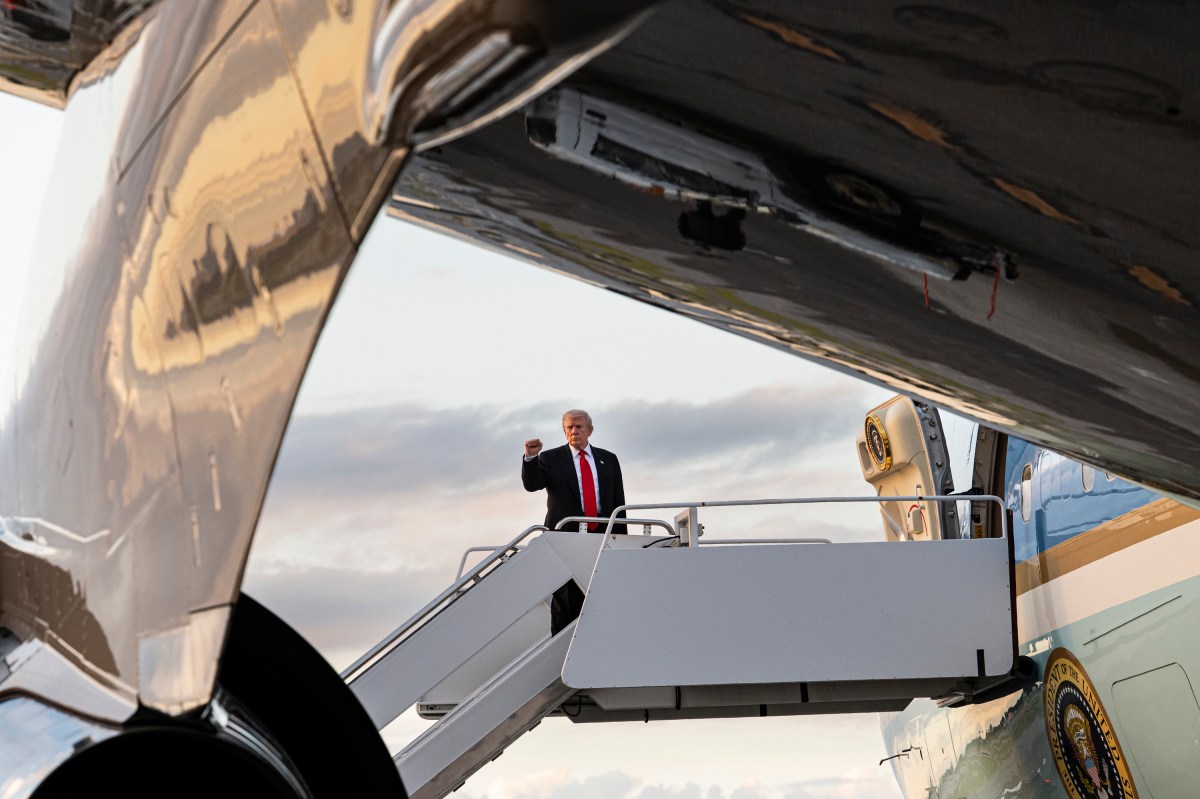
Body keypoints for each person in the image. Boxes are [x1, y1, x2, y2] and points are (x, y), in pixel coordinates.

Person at [522, 409, 626, 634]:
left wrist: (622, 541)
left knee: (602, 600)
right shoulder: (550, 458)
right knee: (566, 602)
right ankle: (560, 663)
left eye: (579, 426)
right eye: (569, 427)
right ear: (564, 431)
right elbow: (532, 484)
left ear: (590, 430)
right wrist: (530, 457)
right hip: (565, 540)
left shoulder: (608, 459)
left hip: (601, 539)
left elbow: (619, 502)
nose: (574, 431)